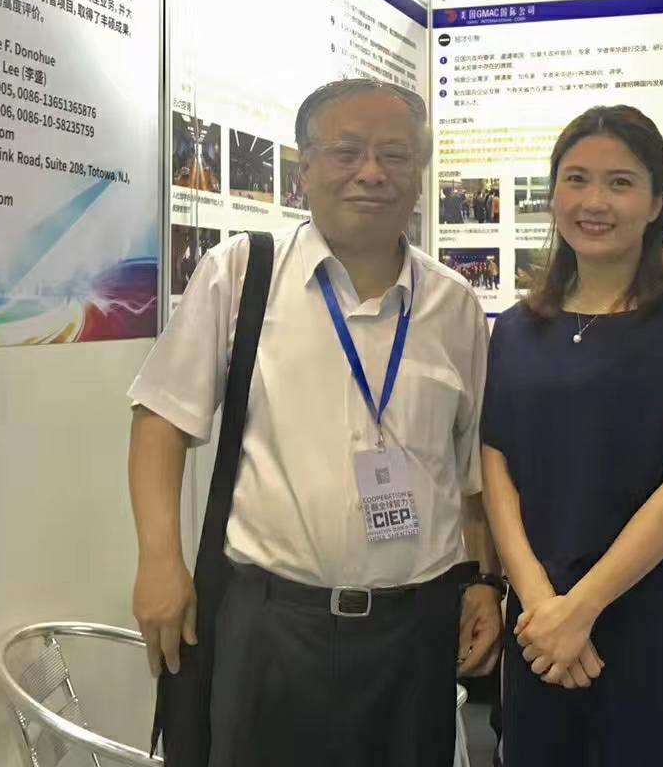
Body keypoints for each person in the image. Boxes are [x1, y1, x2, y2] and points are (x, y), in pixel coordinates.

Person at [127, 78, 504, 767]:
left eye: (394, 155)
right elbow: (161, 420)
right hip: (273, 625)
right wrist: (159, 561)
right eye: (347, 151)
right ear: (305, 168)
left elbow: (472, 471)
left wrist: (484, 580)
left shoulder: (454, 306)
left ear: (420, 173)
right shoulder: (241, 274)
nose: (372, 172)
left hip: (416, 632)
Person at [480, 105, 663, 766]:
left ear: (656, 203)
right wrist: (542, 605)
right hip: (539, 627)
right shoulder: (516, 328)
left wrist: (582, 608)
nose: (594, 202)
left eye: (620, 182)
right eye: (576, 179)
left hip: (648, 618)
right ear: (553, 195)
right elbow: (496, 467)